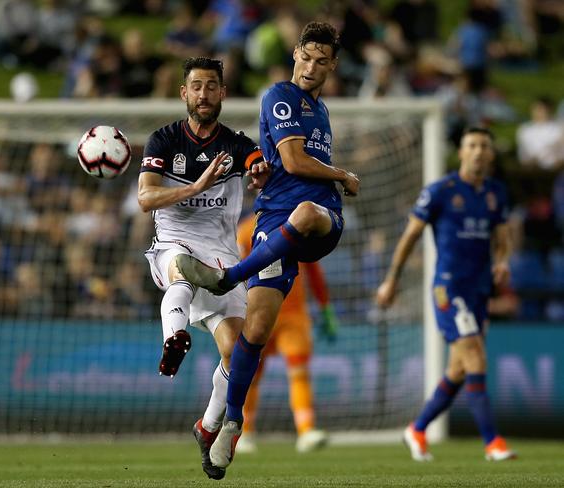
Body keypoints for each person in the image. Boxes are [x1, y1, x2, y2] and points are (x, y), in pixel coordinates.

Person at [175, 22, 360, 471]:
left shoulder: (322, 110)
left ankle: (227, 278)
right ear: (295, 53)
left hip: (320, 220)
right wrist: (342, 174)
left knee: (309, 215)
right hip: (275, 223)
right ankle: (230, 424)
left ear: (332, 65)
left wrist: (330, 182)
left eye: (322, 60)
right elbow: (294, 160)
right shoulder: (280, 96)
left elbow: (292, 163)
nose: (312, 66)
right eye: (306, 56)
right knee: (253, 333)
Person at [136, 56, 269, 480]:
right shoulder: (163, 141)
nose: (204, 94)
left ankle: (207, 425)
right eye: (196, 86)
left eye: (212, 86)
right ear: (184, 93)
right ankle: (173, 338)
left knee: (236, 351)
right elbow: (145, 198)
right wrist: (194, 188)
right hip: (172, 239)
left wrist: (260, 172)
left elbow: (256, 162)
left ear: (223, 93)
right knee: (179, 269)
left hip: (221, 255)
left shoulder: (235, 143)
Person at [375, 127, 516, 462]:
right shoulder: (441, 191)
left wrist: (502, 261)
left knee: (459, 369)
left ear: (491, 153)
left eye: (484, 145)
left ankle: (418, 428)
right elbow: (410, 236)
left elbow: (502, 235)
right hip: (449, 288)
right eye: (472, 145)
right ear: (462, 153)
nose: (479, 151)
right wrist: (391, 280)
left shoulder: (496, 193)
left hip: (480, 288)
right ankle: (493, 442)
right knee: (476, 357)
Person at [233, 215, 337, 454]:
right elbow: (236, 270)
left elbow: (313, 270)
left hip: (293, 316)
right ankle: (244, 432)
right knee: (251, 374)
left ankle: (306, 430)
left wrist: (325, 307)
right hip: (258, 312)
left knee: (299, 372)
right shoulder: (245, 231)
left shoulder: (299, 224)